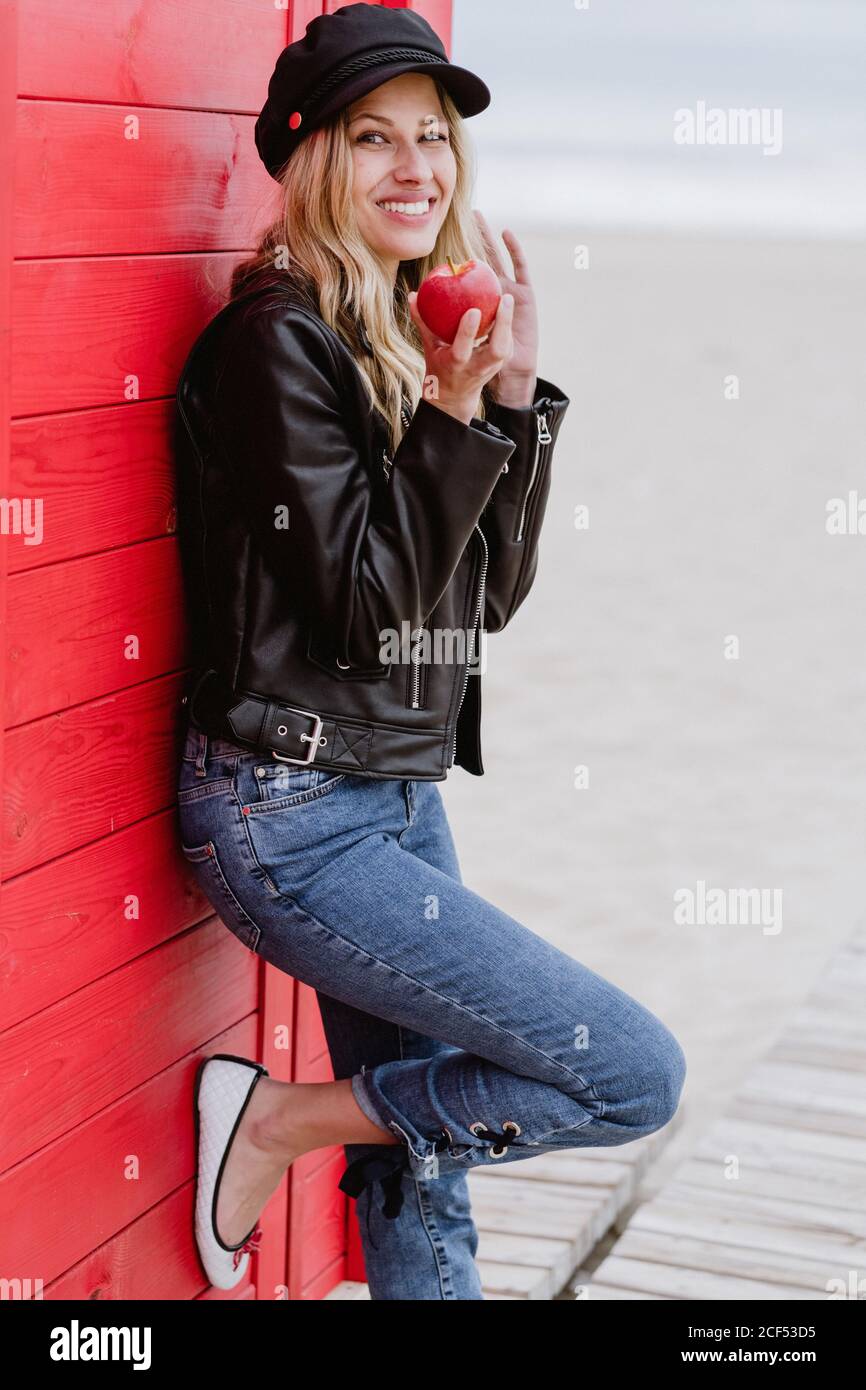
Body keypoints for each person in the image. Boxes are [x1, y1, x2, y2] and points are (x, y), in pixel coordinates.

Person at [174, 2, 686, 1301]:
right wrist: (452, 417)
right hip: (288, 814)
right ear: (309, 160)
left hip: (388, 794)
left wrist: (506, 402)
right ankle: (279, 1119)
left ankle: (308, 1125)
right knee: (627, 1071)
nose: (418, 167)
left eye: (435, 139)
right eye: (372, 138)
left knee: (419, 1149)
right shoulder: (274, 341)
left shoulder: (396, 334)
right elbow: (362, 615)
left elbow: (482, 602)